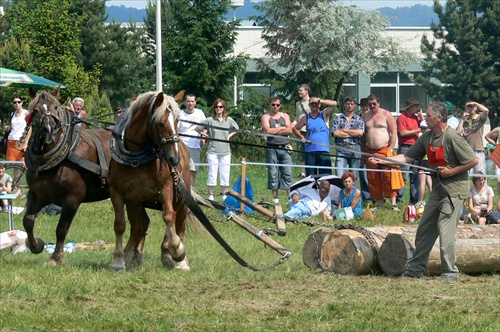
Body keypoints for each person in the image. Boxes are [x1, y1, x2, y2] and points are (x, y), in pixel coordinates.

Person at [369, 102, 478, 281]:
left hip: (454, 191)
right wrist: (382, 161)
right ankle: (415, 271)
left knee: (445, 230)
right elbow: (407, 157)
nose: (424, 118)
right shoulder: (426, 138)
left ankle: (450, 272)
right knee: (424, 230)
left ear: (439, 118)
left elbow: (472, 160)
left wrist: (451, 171)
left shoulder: (452, 137)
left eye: (428, 116)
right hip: (437, 191)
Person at [196, 98, 239, 201]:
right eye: (216, 107)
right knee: (212, 172)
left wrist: (229, 136)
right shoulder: (210, 120)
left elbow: (237, 128)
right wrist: (205, 135)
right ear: (214, 108)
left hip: (225, 151)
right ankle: (211, 195)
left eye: (220, 107)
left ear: (224, 108)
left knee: (225, 173)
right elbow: (197, 128)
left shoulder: (228, 120)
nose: (218, 109)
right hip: (213, 151)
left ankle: (224, 194)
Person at [362, 94, 399, 210]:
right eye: (370, 104)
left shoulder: (386, 114)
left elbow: (394, 133)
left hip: (385, 149)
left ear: (379, 103)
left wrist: (391, 149)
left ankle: (393, 203)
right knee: (373, 177)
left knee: (389, 176)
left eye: (374, 103)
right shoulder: (365, 116)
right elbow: (363, 136)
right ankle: (379, 204)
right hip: (370, 151)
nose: (372, 106)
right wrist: (363, 151)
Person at [292, 96, 337, 176]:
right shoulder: (306, 118)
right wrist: (302, 137)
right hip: (310, 151)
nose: (314, 105)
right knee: (311, 178)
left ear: (319, 104)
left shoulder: (324, 114)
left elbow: (334, 104)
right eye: (312, 103)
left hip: (324, 150)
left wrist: (320, 100)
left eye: (316, 103)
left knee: (326, 178)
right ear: (309, 105)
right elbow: (295, 128)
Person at [261, 96, 293, 202]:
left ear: (280, 106)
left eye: (277, 105)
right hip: (271, 148)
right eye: (273, 105)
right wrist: (282, 128)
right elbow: (267, 131)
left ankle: (289, 197)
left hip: (285, 147)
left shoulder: (285, 116)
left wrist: (275, 129)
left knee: (287, 173)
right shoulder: (265, 117)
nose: (275, 107)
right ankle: (275, 198)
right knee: (273, 173)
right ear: (270, 105)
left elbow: (289, 130)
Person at [396, 98, 425, 204]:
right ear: (410, 107)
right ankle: (399, 200)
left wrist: (421, 116)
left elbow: (425, 125)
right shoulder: (402, 118)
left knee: (415, 176)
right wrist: (417, 130)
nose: (418, 108)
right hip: (405, 148)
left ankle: (414, 199)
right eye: (416, 106)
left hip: (416, 147)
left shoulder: (416, 118)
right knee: (403, 176)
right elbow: (402, 133)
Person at [332, 96, 364, 178]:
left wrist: (345, 130)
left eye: (352, 104)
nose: (350, 106)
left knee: (354, 176)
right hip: (341, 148)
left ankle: (353, 191)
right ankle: (341, 191)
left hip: (355, 148)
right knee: (339, 175)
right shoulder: (337, 118)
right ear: (345, 105)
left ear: (354, 105)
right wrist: (353, 133)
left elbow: (360, 133)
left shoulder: (359, 119)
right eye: (348, 104)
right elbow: (336, 133)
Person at [178, 94, 206, 186]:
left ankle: (192, 189)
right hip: (182, 144)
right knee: (181, 167)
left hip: (195, 144)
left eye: (192, 101)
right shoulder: (180, 113)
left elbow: (205, 126)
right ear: (185, 102)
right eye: (188, 101)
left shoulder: (199, 113)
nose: (190, 103)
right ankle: (181, 188)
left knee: (193, 169)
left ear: (195, 102)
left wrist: (203, 137)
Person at [456, 101, 489, 174]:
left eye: (472, 106)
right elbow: (457, 133)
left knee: (480, 175)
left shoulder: (479, 118)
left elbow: (486, 111)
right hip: (466, 150)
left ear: (476, 108)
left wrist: (476, 103)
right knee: (464, 174)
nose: (470, 108)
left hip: (478, 149)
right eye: (468, 106)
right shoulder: (465, 120)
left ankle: (483, 186)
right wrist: (462, 119)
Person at [293, 84, 311, 178]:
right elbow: (297, 116)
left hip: (309, 129)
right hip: (299, 130)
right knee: (301, 150)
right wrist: (293, 124)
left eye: (301, 90)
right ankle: (303, 172)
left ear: (307, 91)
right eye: (299, 90)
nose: (299, 92)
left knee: (310, 150)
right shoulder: (297, 103)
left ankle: (310, 170)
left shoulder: (312, 102)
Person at [358, 98, 372, 203]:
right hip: (361, 148)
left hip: (373, 148)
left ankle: (377, 196)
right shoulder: (359, 118)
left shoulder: (373, 118)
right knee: (363, 175)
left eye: (366, 106)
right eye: (363, 106)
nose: (365, 108)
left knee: (374, 174)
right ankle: (367, 198)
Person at [417, 119, 432, 204]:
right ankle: (433, 200)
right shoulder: (431, 138)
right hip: (430, 161)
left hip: (423, 162)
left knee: (422, 183)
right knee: (430, 182)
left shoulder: (422, 139)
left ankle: (420, 201)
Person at [484, 126, 500, 193]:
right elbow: (487, 136)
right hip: (499, 157)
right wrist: (496, 145)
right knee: (499, 181)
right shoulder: (499, 129)